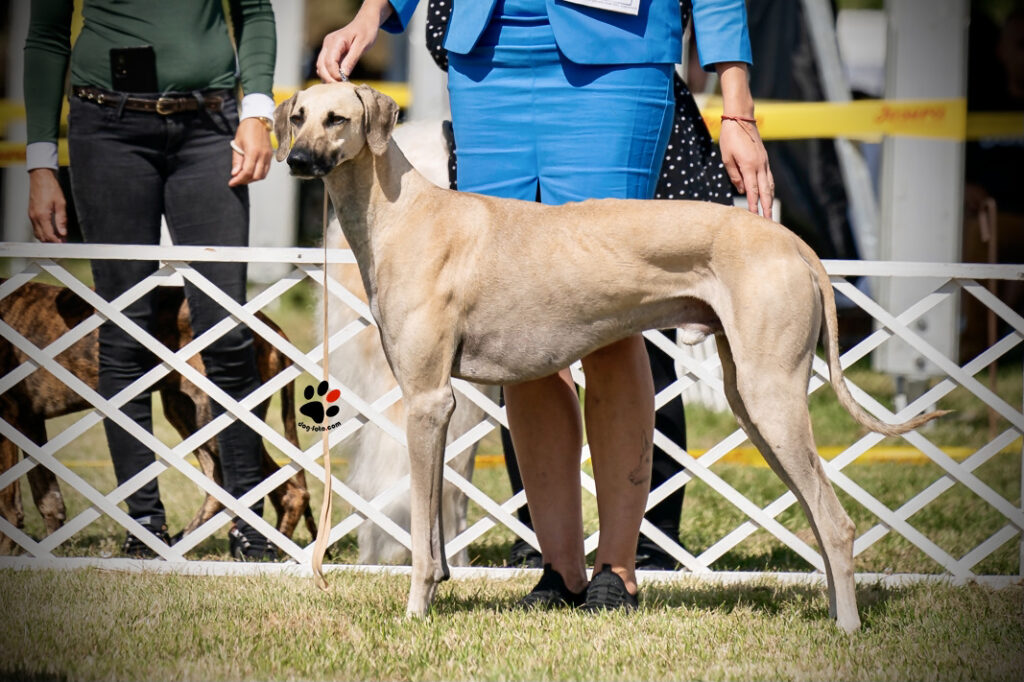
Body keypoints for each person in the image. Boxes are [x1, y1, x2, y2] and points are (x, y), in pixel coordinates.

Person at [318, 0, 772, 609]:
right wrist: (371, 15)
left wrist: (735, 102)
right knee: (512, 328)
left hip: (617, 52)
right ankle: (559, 569)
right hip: (489, 59)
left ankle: (617, 567)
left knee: (611, 321)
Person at [24, 0, 279, 560]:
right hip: (105, 127)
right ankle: (142, 527)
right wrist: (41, 160)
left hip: (212, 127)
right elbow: (45, 35)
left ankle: (249, 527)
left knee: (227, 333)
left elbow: (257, 11)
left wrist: (258, 110)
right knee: (122, 336)